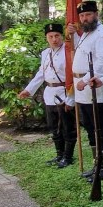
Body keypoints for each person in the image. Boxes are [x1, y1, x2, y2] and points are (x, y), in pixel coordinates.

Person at [67, 0, 103, 180]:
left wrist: (86, 80)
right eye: (81, 16)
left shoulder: (102, 35)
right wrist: (74, 36)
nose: (84, 18)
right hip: (83, 91)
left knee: (102, 129)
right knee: (90, 128)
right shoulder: (87, 34)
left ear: (96, 14)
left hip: (96, 90)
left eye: (87, 14)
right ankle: (97, 163)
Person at [18, 23, 77, 167]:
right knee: (53, 127)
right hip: (50, 94)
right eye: (50, 36)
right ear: (46, 38)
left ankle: (68, 157)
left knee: (67, 127)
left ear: (62, 36)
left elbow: (73, 75)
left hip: (65, 93)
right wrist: (29, 90)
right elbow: (41, 74)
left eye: (57, 36)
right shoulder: (45, 53)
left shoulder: (69, 51)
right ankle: (59, 155)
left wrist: (71, 98)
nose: (54, 39)